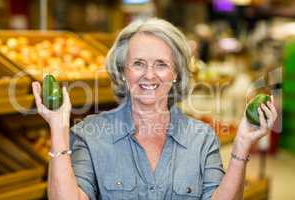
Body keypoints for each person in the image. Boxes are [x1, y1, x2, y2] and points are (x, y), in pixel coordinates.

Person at [32, 18, 277, 200]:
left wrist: (243, 142)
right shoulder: (89, 134)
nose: (149, 75)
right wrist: (58, 127)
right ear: (123, 71)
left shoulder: (202, 138)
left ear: (176, 73)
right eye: (138, 63)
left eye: (161, 64)